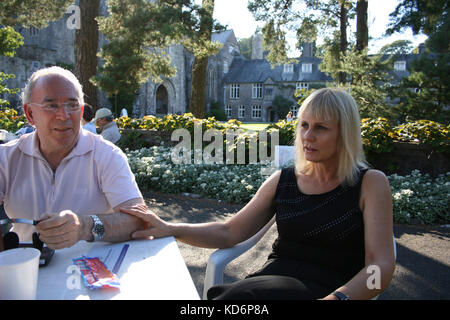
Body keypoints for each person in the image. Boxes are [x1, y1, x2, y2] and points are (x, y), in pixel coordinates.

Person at [120, 88, 396, 300]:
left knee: (238, 298)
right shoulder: (284, 180)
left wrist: (340, 297)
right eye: (304, 125)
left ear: (344, 134)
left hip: (331, 286)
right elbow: (230, 232)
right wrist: (171, 228)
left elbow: (381, 265)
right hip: (274, 282)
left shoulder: (370, 184)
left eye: (321, 128)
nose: (307, 136)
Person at [0, 66, 148, 249]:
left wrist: (86, 227)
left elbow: (139, 220)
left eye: (72, 105)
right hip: (25, 270)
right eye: (51, 105)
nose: (64, 116)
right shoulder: (6, 159)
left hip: (92, 273)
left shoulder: (107, 155)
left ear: (81, 111)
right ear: (30, 114)